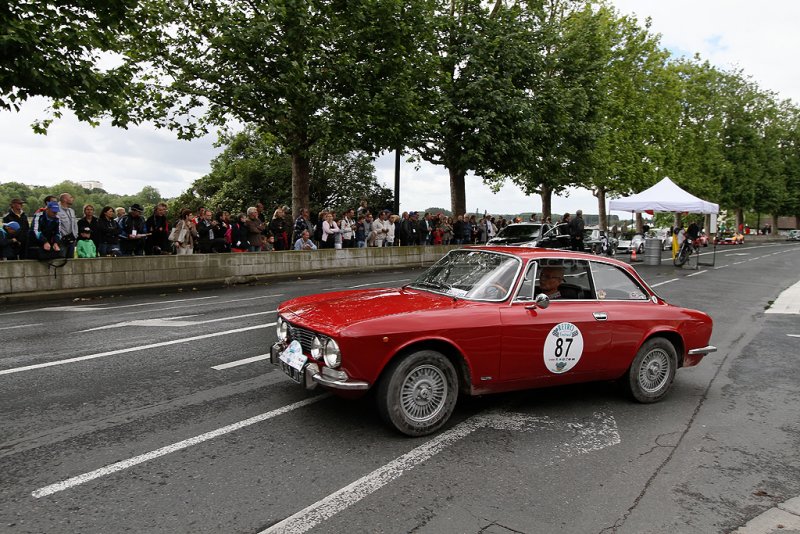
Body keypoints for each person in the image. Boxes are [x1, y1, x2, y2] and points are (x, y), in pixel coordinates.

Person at [57, 193, 79, 258]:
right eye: (71, 197)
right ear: (64, 199)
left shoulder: (71, 211)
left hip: (72, 240)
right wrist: (60, 237)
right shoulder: (57, 210)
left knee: (70, 261)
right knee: (61, 260)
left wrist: (75, 235)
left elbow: (75, 224)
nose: (72, 199)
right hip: (61, 241)